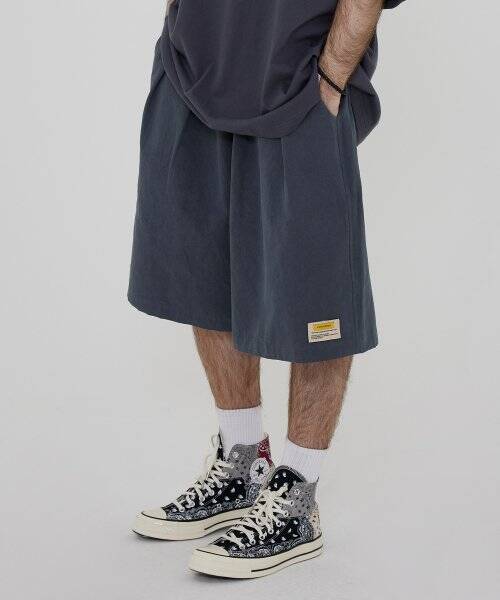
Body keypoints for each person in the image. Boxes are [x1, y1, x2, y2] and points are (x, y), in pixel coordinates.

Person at [128, 0, 406, 579]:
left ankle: (298, 498)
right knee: (205, 275)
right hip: (190, 73)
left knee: (317, 295)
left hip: (299, 82)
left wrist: (333, 74)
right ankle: (241, 464)